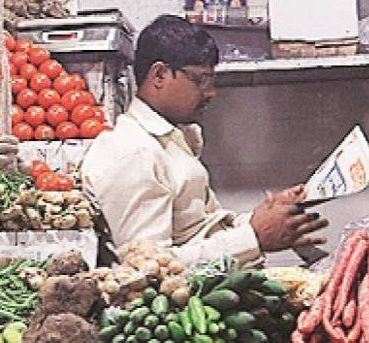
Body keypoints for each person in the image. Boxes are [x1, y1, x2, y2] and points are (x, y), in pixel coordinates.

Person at [82, 14, 327, 266]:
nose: (211, 92)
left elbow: (201, 230)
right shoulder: (132, 152)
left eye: (212, 80)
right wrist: (253, 238)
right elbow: (146, 269)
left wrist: (270, 219)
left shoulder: (173, 139)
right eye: (200, 80)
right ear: (159, 75)